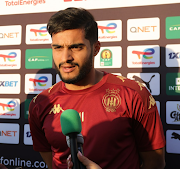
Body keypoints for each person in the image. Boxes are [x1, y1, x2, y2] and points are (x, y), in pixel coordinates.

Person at [28, 7, 166, 169]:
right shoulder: (39, 104)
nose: (66, 58)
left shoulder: (133, 94)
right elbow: (52, 162)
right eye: (58, 48)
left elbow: (155, 164)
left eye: (76, 47)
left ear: (95, 48)